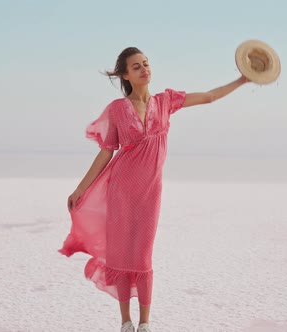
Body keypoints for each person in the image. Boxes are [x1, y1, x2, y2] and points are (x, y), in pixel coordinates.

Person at [59, 46, 250, 332]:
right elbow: (106, 152)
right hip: (121, 190)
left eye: (146, 64)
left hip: (150, 193)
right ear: (125, 75)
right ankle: (125, 322)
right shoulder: (117, 109)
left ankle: (145, 324)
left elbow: (208, 97)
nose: (144, 69)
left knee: (143, 256)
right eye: (136, 66)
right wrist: (79, 189)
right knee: (122, 255)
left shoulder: (165, 101)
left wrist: (242, 80)